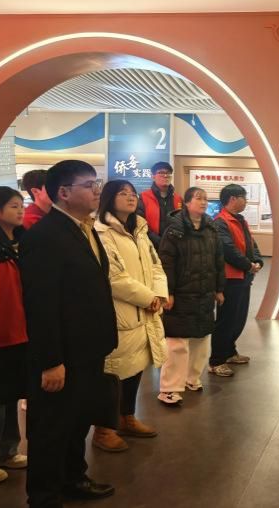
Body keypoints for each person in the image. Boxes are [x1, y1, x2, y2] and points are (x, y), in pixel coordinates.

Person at [19, 160, 117, 506]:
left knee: (77, 421)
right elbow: (41, 304)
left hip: (88, 349)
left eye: (97, 183)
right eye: (89, 185)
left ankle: (73, 478)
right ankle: (44, 496)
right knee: (52, 427)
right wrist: (51, 361)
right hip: (63, 354)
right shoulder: (45, 237)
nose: (97, 191)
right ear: (63, 192)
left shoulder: (84, 229)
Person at [92, 180, 168, 450]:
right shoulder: (101, 231)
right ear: (109, 198)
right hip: (121, 311)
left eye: (133, 193)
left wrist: (159, 294)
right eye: (123, 193)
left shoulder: (140, 229)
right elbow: (113, 277)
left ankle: (127, 417)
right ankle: (104, 429)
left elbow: (156, 264)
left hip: (145, 310)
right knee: (113, 372)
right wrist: (149, 298)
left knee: (135, 368)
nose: (130, 197)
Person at [158, 187, 225, 405]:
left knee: (202, 339)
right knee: (177, 342)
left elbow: (218, 260)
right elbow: (166, 263)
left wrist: (219, 289)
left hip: (205, 293)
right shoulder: (174, 229)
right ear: (186, 203)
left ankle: (192, 378)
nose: (203, 202)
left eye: (205, 198)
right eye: (198, 198)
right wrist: (167, 292)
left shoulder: (211, 228)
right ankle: (169, 388)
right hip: (181, 294)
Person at [0, 187, 29, 485]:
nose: (20, 210)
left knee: (13, 392)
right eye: (13, 206)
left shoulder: (24, 241)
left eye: (21, 205)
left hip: (21, 329)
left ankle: (8, 450)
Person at [208, 184, 263, 376]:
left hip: (243, 277)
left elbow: (251, 244)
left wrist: (257, 260)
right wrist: (248, 265)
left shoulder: (240, 220)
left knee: (238, 319)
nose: (245, 201)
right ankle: (216, 361)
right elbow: (228, 250)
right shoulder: (220, 222)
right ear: (232, 199)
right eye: (243, 197)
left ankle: (230, 352)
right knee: (226, 320)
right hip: (230, 279)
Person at [137, 161, 182, 249]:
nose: (165, 175)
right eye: (161, 172)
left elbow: (181, 222)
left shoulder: (178, 199)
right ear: (153, 177)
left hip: (174, 246)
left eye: (168, 173)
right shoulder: (143, 197)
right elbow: (140, 223)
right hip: (151, 245)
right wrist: (158, 241)